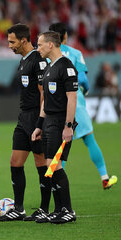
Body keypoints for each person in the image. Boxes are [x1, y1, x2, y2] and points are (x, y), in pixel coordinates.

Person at [49, 23, 117, 189]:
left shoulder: (46, 54)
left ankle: (56, 185)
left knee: (59, 146)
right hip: (75, 100)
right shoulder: (75, 53)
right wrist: (84, 91)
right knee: (89, 139)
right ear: (64, 36)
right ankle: (105, 177)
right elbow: (84, 81)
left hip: (54, 103)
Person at [0, 24, 51, 222]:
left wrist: (41, 121)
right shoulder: (22, 61)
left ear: (24, 40)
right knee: (15, 162)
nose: (9, 45)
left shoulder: (38, 61)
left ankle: (44, 208)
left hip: (37, 116)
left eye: (12, 42)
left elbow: (44, 94)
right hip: (23, 117)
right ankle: (18, 209)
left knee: (40, 162)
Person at [32, 31, 78, 224]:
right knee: (50, 166)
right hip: (49, 122)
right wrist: (39, 125)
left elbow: (72, 97)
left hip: (60, 122)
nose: (37, 48)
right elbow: (46, 100)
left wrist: (68, 125)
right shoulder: (50, 67)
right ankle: (58, 210)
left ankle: (68, 210)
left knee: (54, 165)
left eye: (40, 44)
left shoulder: (66, 66)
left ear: (51, 45)